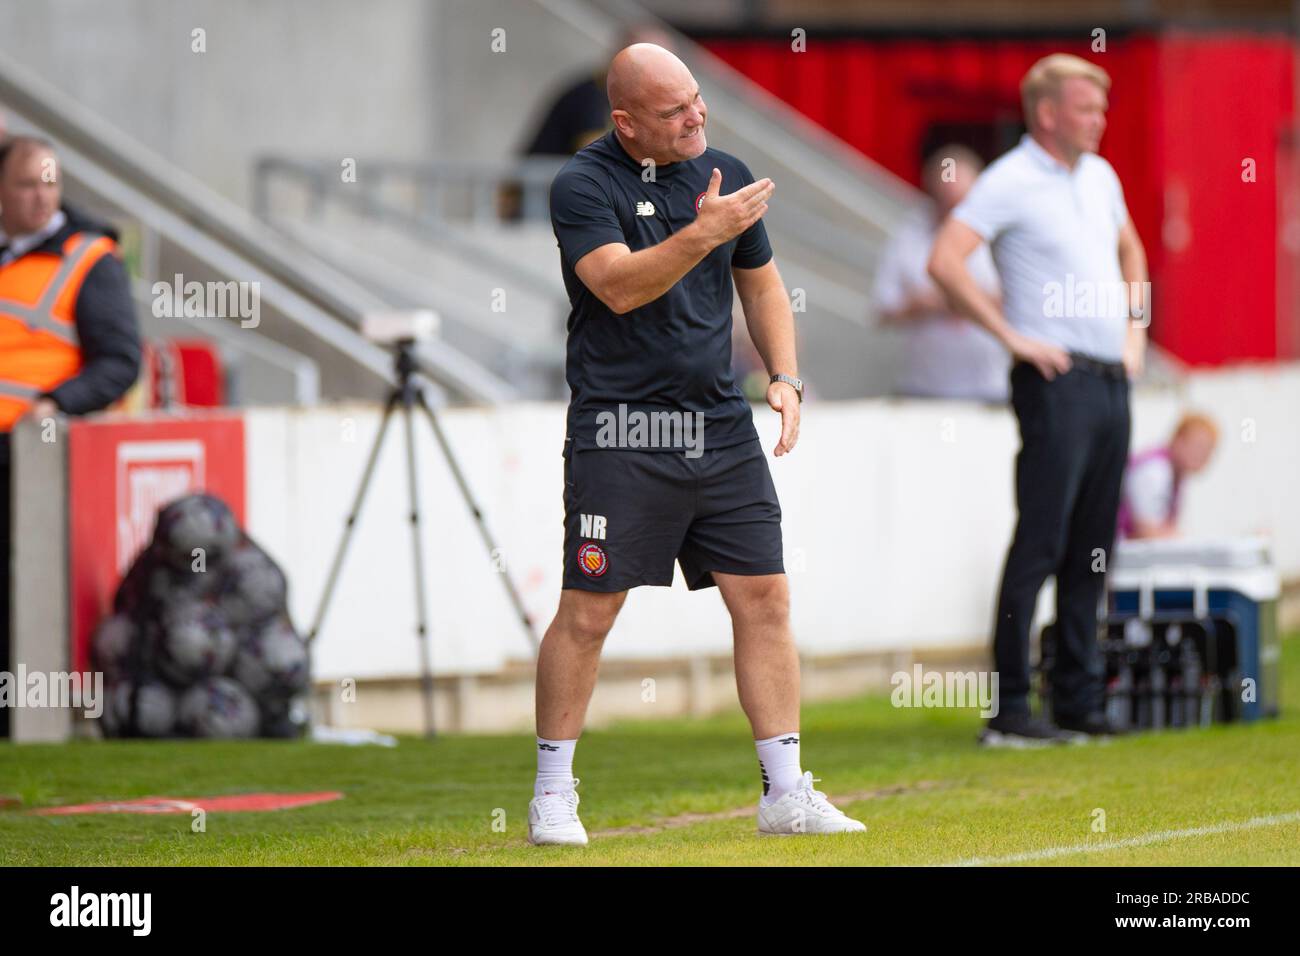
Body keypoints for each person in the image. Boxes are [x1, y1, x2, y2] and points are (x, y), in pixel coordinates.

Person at [531, 43, 866, 844]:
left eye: (696, 98)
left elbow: (761, 281)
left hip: (717, 422)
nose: (696, 116)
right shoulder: (582, 183)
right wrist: (703, 232)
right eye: (674, 108)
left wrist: (785, 376)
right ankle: (552, 795)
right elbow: (616, 285)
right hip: (620, 426)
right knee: (588, 609)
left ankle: (784, 792)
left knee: (765, 596)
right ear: (626, 122)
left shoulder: (722, 167)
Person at [928, 54, 1149, 746]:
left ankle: (1079, 700)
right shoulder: (1010, 180)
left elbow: (1132, 253)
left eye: (1101, 109)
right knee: (1042, 543)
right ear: (1048, 114)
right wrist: (1012, 339)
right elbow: (945, 259)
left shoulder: (1101, 176)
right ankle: (1012, 709)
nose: (1099, 121)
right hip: (1055, 382)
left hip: (1111, 379)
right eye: (1087, 109)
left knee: (1094, 548)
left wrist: (1136, 331)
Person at [0, 137, 142, 738]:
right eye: (27, 184)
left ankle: (21, 721)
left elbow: (120, 360)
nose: (41, 197)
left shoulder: (90, 260)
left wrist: (55, 404)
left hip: (29, 459)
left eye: (50, 183)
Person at [873, 145, 1008, 401]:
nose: (954, 214)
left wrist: (960, 299)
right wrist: (923, 305)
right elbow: (883, 308)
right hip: (922, 389)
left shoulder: (1000, 235)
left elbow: (1024, 303)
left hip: (989, 391)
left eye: (961, 203)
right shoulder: (908, 236)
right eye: (945, 202)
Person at [1117, 413, 1219, 540]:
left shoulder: (1177, 476)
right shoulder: (1154, 471)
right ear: (1177, 440)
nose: (1202, 455)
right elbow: (1147, 532)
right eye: (1198, 446)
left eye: (1208, 450)